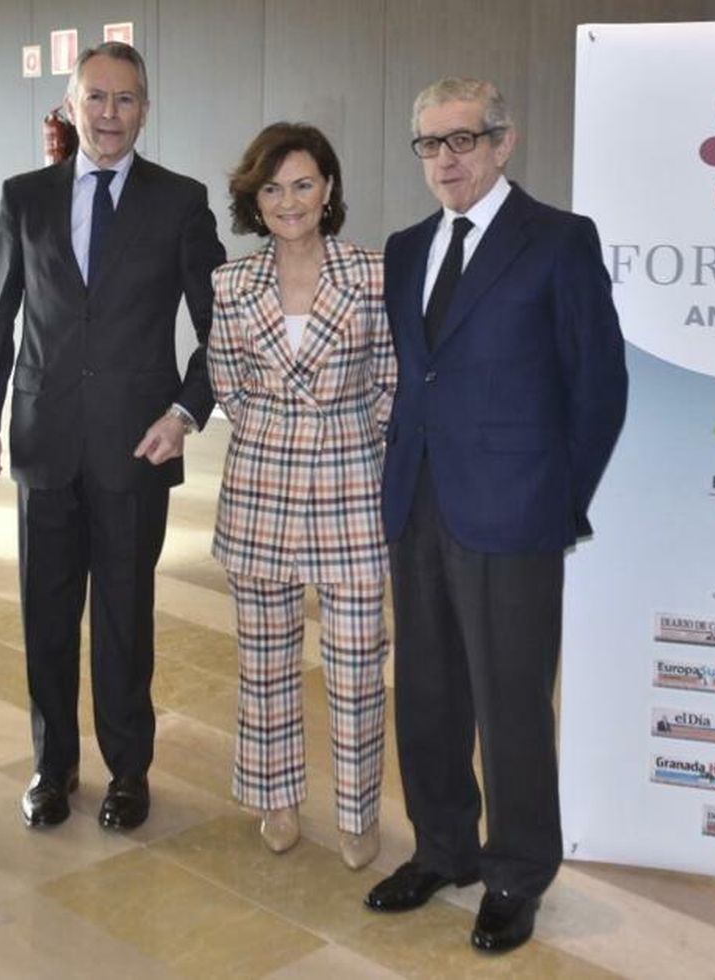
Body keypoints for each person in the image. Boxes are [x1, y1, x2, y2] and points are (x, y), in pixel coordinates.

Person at [363, 78, 627, 954]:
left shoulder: (557, 240)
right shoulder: (405, 248)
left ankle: (517, 872)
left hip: (516, 515)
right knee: (430, 693)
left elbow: (599, 387)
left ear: (504, 143)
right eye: (430, 144)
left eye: (464, 140)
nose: (446, 159)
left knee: (511, 702)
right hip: (419, 503)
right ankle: (444, 848)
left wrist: (557, 500)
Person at [0, 42, 225, 832]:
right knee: (46, 618)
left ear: (144, 110)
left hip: (134, 448)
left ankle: (127, 771)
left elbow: (222, 327)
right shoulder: (24, 197)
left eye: (125, 100)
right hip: (45, 442)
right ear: (70, 106)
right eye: (95, 98)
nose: (109, 114)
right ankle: (52, 768)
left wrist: (185, 413)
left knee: (123, 618)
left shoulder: (180, 200)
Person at [208, 123, 396, 869]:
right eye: (273, 188)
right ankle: (278, 798)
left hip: (352, 487)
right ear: (255, 199)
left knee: (357, 667)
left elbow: (390, 381)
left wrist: (340, 438)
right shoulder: (231, 282)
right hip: (260, 490)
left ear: (329, 190)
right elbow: (228, 381)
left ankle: (357, 813)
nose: (290, 201)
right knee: (266, 662)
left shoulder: (373, 274)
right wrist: (284, 435)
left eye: (304, 184)